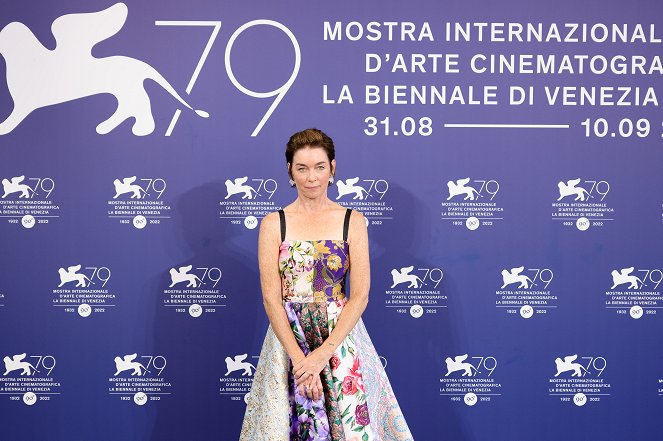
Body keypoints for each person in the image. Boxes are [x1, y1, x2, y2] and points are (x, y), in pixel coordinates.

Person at [240, 128, 413, 440]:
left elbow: (359, 295)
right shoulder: (272, 223)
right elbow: (271, 298)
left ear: (333, 169)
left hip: (340, 338)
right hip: (287, 340)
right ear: (290, 171)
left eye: (319, 167)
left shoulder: (352, 221)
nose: (311, 177)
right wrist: (299, 360)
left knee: (347, 428)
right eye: (302, 168)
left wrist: (321, 355)